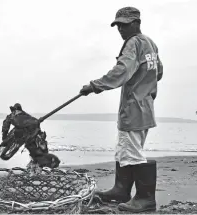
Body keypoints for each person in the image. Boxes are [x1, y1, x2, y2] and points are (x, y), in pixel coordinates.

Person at [79, 7, 163, 213]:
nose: (120, 29)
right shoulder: (150, 43)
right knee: (123, 150)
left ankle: (145, 199)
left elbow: (122, 70)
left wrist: (95, 85)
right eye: (118, 25)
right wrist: (144, 84)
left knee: (131, 153)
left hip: (133, 109)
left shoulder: (133, 43)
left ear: (136, 23)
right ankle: (121, 190)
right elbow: (158, 72)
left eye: (124, 25)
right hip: (145, 108)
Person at [1, 103, 60, 170]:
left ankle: (38, 164)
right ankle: (37, 164)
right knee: (38, 151)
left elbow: (5, 126)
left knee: (37, 151)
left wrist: (4, 137)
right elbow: (36, 125)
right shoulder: (26, 115)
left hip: (28, 134)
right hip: (32, 134)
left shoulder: (12, 116)